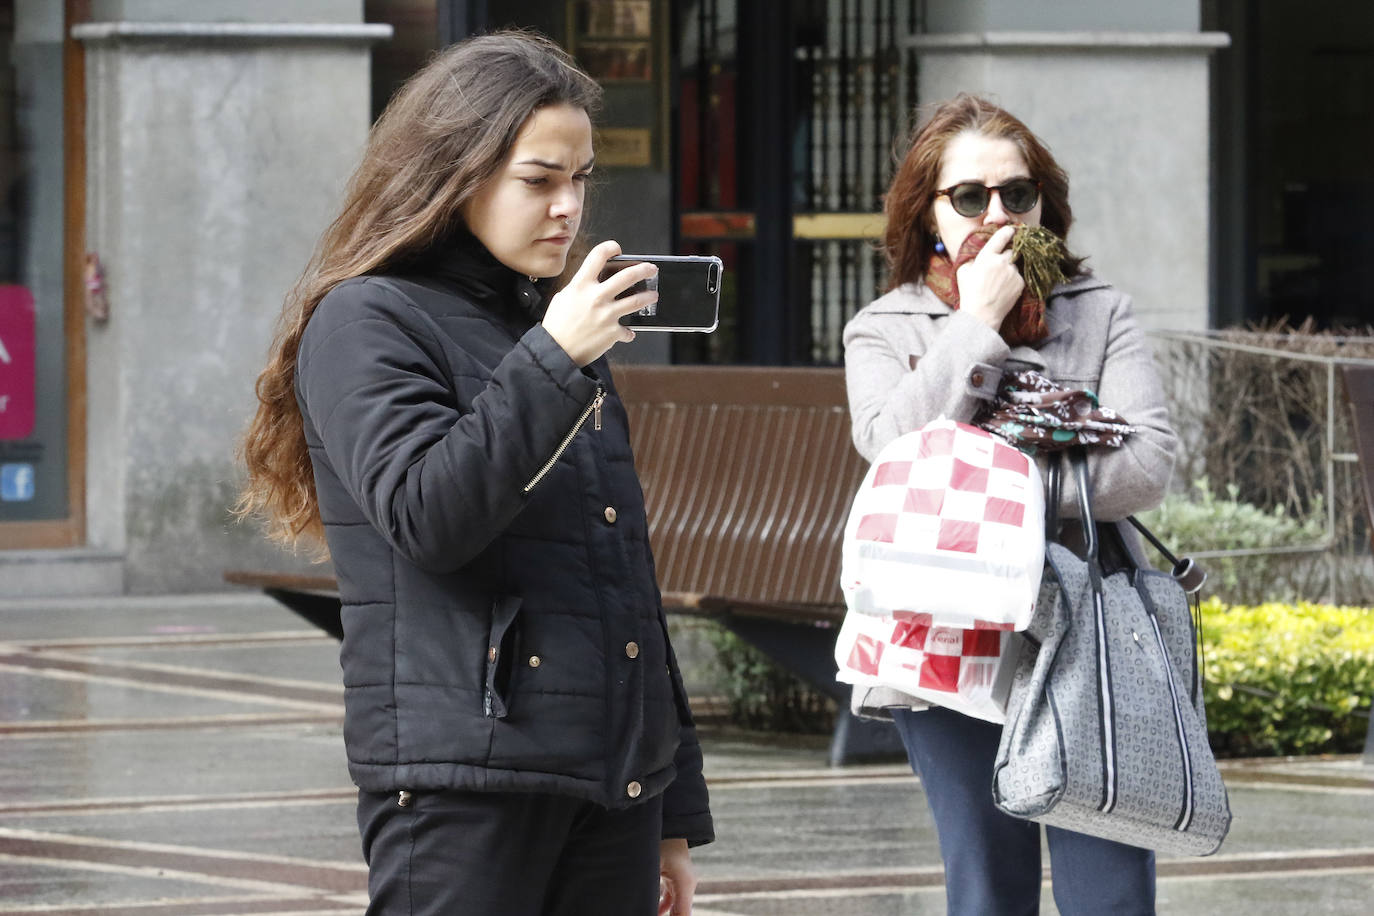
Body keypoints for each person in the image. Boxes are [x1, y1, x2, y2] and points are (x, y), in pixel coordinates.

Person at [236, 30, 712, 916]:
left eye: (581, 178)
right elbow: (429, 516)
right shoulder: (369, 320)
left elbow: (623, 576)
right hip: (462, 782)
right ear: (455, 175)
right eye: (539, 180)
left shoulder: (556, 333)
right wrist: (554, 360)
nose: (569, 207)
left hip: (609, 785)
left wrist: (672, 809)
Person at [842, 94, 1179, 915]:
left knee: (1111, 890)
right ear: (928, 215)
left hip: (1090, 624)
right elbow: (891, 448)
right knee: (986, 886)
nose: (997, 214)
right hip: (946, 630)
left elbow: (1148, 463)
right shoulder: (886, 328)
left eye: (1017, 195)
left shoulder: (1098, 311)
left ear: (1044, 207)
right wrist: (981, 321)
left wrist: (980, 484)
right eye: (969, 198)